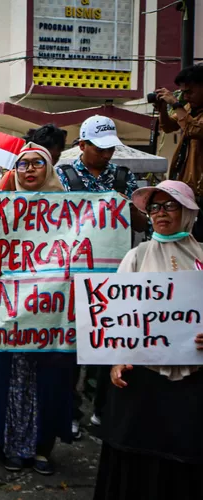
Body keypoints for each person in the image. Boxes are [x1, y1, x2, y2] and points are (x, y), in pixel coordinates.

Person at [94, 180, 203, 500]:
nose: (160, 213)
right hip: (141, 381)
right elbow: (116, 316)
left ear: (187, 213)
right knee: (135, 458)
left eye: (170, 206)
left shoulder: (201, 258)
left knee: (184, 455)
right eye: (154, 207)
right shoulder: (136, 257)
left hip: (191, 382)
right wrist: (116, 360)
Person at [0, 143, 73, 475]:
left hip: (51, 311)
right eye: (22, 164)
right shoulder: (0, 209)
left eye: (36, 164)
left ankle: (42, 448)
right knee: (9, 377)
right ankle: (9, 443)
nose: (29, 170)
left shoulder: (71, 210)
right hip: (8, 311)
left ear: (49, 168)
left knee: (49, 379)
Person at [54, 115, 146, 438]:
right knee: (74, 347)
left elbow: (139, 225)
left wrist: (129, 208)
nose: (107, 155)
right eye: (100, 149)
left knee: (110, 344)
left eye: (110, 149)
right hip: (73, 275)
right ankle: (72, 411)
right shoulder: (63, 176)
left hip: (114, 277)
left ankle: (104, 410)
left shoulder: (123, 177)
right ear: (82, 145)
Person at [155, 64, 203, 241]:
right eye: (183, 92)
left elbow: (193, 129)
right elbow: (168, 127)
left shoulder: (187, 110)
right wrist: (161, 108)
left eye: (190, 92)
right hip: (186, 187)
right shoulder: (190, 109)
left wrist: (175, 103)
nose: (185, 97)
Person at [0, 124, 67, 191]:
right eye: (37, 162)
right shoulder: (12, 177)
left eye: (55, 158)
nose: (30, 169)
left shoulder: (63, 176)